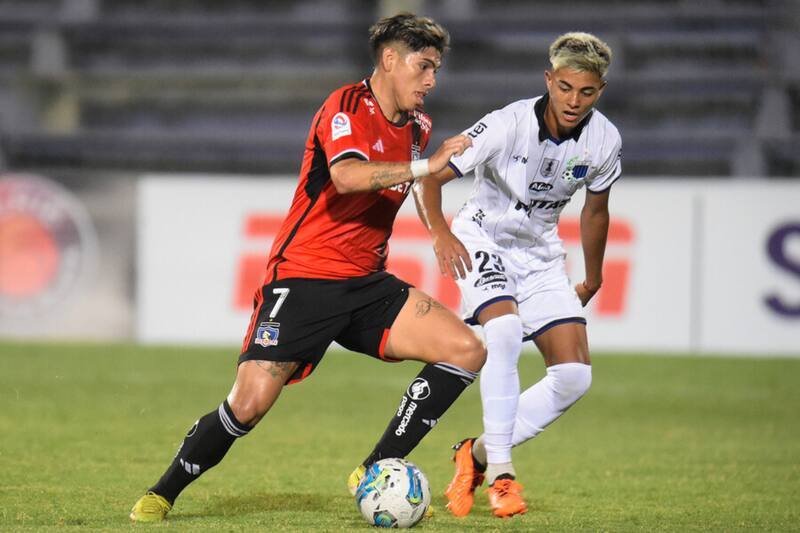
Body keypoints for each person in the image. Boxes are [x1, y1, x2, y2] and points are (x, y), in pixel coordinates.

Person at [130, 12, 486, 522]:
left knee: (466, 349)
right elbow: (346, 176)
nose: (432, 81)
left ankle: (375, 468)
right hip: (303, 278)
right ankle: (163, 492)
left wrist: (437, 228)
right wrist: (425, 167)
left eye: (436, 69)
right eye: (424, 66)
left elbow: (423, 183)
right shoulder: (344, 107)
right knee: (248, 405)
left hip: (367, 284)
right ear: (390, 59)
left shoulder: (418, 127)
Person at [413, 32, 621, 518]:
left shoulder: (605, 139)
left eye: (586, 92)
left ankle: (477, 454)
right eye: (565, 87)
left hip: (541, 254)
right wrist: (442, 235)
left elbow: (596, 212)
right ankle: (503, 476)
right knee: (503, 331)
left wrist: (592, 277)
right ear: (549, 80)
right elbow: (431, 176)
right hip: (483, 238)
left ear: (601, 91)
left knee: (573, 378)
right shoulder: (505, 125)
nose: (574, 101)